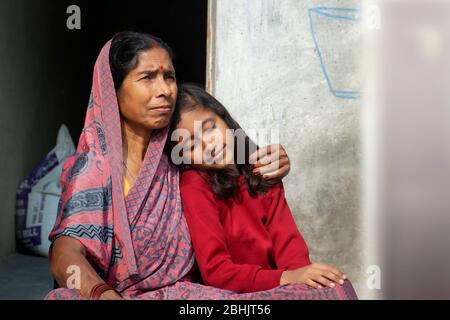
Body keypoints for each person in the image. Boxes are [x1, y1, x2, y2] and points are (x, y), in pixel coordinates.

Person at [45, 32, 295, 300]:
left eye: (169, 77)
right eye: (147, 77)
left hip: (180, 295)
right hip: (110, 296)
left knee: (327, 291)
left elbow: (229, 155)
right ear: (112, 91)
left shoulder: (178, 157)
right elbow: (65, 253)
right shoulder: (92, 168)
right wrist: (104, 295)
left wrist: (268, 159)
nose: (164, 90)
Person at [168, 84, 358, 299]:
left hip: (279, 284)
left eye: (210, 128)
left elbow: (290, 246)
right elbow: (216, 271)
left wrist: (303, 278)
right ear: (181, 156)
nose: (208, 146)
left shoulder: (260, 169)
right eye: (191, 145)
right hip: (231, 293)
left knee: (336, 286)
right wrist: (287, 278)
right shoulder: (195, 186)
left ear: (225, 120)